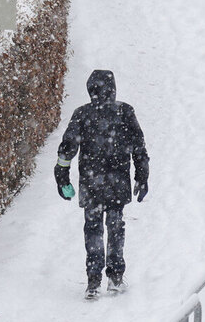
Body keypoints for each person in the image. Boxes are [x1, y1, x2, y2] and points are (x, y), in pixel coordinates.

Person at [54, 70, 149, 300]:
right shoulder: (124, 112)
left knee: (93, 228)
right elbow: (139, 146)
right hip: (117, 181)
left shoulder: (82, 114)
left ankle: (93, 280)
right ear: (113, 88)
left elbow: (68, 147)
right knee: (116, 226)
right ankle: (115, 277)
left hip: (91, 181)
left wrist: (62, 174)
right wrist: (142, 176)